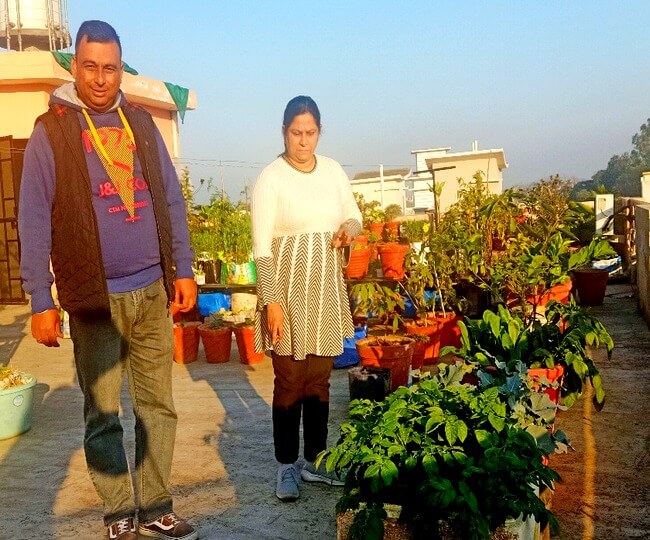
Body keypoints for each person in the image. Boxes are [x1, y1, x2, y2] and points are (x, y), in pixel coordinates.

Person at [18, 20, 198, 540]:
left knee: (158, 407)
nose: (100, 78)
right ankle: (119, 513)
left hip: (150, 292)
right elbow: (33, 217)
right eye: (91, 66)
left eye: (111, 68)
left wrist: (181, 269)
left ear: (122, 70)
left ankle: (156, 506)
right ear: (75, 67)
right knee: (103, 413)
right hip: (94, 299)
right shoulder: (51, 130)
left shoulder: (140, 123)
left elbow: (169, 199)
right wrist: (39, 297)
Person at [250, 95, 363, 501]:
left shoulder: (332, 171)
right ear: (284, 132)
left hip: (326, 291)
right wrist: (272, 301)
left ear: (319, 132)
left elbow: (353, 214)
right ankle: (286, 467)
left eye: (310, 133)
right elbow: (262, 247)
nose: (303, 142)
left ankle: (316, 462)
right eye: (296, 133)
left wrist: (349, 228)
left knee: (318, 383)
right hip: (287, 292)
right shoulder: (271, 177)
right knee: (289, 382)